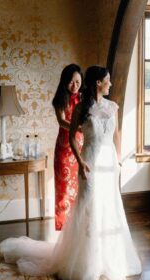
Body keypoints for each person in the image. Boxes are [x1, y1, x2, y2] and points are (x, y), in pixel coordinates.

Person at [0, 66, 142, 280]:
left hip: (109, 164)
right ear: (98, 83)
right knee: (86, 206)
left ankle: (109, 258)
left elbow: (116, 135)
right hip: (90, 161)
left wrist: (119, 159)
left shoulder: (112, 107)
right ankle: (84, 262)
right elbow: (73, 137)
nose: (110, 84)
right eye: (108, 81)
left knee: (109, 207)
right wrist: (81, 161)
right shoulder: (81, 109)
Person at [52, 64, 83, 230]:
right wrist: (78, 128)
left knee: (80, 188)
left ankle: (77, 229)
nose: (75, 86)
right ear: (64, 82)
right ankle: (63, 229)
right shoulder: (59, 99)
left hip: (82, 148)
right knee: (64, 190)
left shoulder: (84, 98)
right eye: (71, 82)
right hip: (64, 149)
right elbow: (61, 121)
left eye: (78, 82)